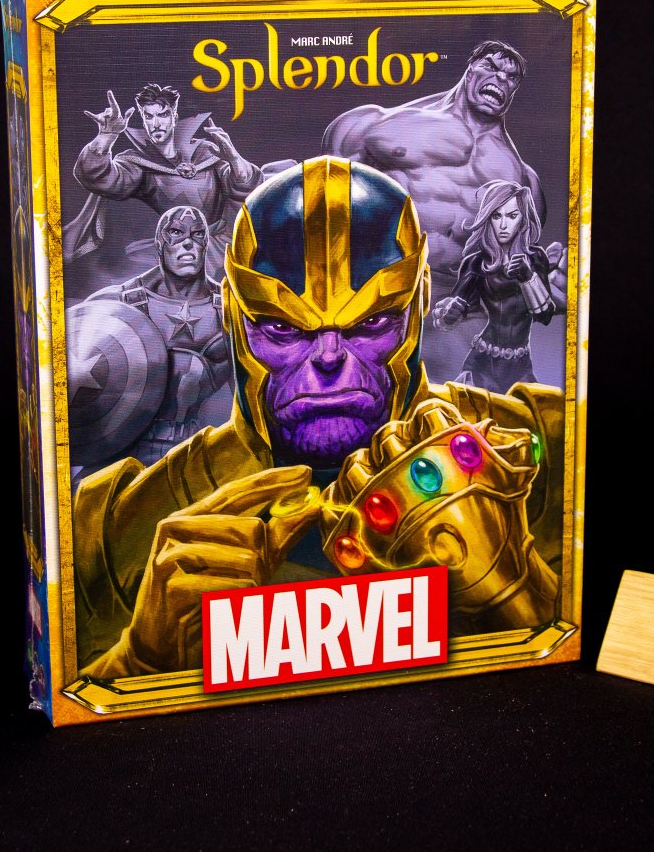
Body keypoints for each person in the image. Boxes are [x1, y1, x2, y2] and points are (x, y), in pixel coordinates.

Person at [72, 158, 567, 676]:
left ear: (419, 301)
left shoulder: (544, 448)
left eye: (372, 322)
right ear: (233, 315)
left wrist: (514, 591)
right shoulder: (113, 528)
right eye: (283, 329)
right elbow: (73, 689)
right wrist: (142, 660)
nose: (329, 357)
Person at [321, 41, 544, 280]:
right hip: (379, 277)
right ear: (470, 70)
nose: (501, 78)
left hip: (456, 291)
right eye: (490, 66)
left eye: (512, 77)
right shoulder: (373, 124)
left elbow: (520, 257)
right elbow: (324, 200)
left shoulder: (521, 178)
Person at [66, 206, 231, 474]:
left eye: (198, 234)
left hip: (193, 456)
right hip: (122, 458)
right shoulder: (115, 303)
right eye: (176, 233)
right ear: (159, 243)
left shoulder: (229, 311)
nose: (188, 243)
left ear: (206, 243)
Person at [63, 84, 262, 265]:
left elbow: (247, 186)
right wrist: (107, 135)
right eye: (149, 117)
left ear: (174, 116)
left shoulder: (205, 152)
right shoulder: (137, 162)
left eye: (163, 115)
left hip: (218, 249)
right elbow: (97, 176)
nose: (156, 123)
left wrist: (234, 157)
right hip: (172, 252)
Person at [432, 181, 564, 393]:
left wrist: (527, 277)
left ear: (523, 219)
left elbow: (545, 315)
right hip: (481, 365)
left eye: (512, 216)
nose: (503, 225)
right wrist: (450, 313)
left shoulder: (535, 257)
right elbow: (455, 309)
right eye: (496, 216)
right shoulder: (477, 262)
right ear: (488, 218)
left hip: (520, 365)